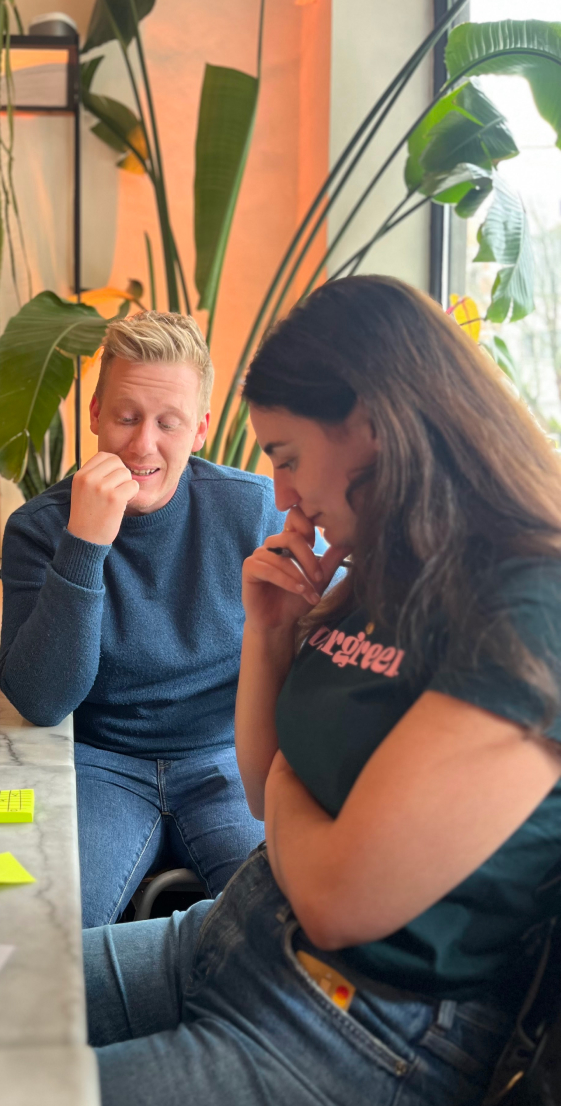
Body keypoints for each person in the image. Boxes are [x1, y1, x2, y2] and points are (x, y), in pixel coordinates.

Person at [82, 275, 561, 1105]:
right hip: (232, 936)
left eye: (289, 457)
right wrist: (268, 631)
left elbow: (339, 896)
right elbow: (269, 780)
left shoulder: (530, 610)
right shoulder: (387, 564)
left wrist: (287, 782)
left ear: (375, 427)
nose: (281, 494)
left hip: (361, 1029)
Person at [0, 312, 288, 928]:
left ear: (201, 430)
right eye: (126, 417)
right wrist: (85, 543)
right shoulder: (40, 527)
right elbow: (43, 701)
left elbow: (348, 627)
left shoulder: (254, 510)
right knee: (51, 932)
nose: (142, 445)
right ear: (96, 413)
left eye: (169, 422)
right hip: (100, 762)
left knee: (285, 924)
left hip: (226, 760)